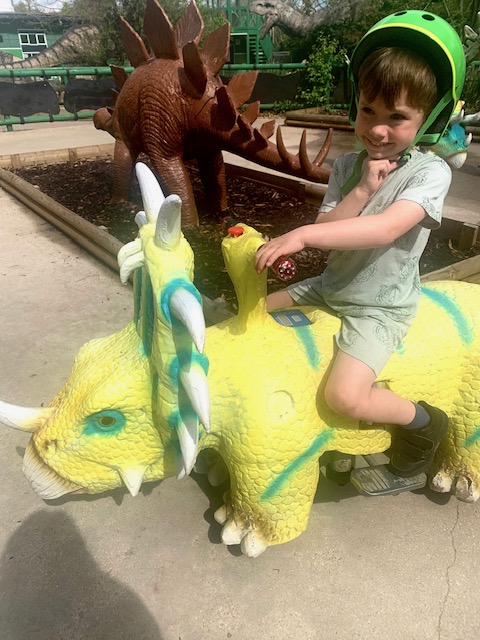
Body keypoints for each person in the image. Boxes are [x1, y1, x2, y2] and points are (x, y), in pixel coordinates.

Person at [255, 10, 466, 478]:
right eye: (368, 110)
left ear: (428, 117)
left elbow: (386, 229)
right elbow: (332, 227)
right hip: (332, 286)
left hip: (378, 307)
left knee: (344, 396)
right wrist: (362, 190)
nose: (377, 129)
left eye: (397, 117)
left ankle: (424, 424)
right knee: (253, 313)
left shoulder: (430, 173)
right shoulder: (350, 166)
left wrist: (303, 235)